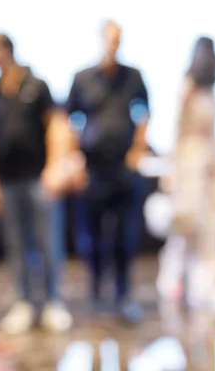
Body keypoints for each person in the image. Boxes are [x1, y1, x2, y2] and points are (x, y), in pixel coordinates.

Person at [0, 33, 79, 334]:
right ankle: (24, 301)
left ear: (7, 51)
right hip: (8, 181)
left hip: (38, 178)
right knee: (16, 243)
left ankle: (52, 301)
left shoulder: (36, 86)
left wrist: (56, 168)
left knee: (48, 240)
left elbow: (57, 124)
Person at [65, 20, 151, 324]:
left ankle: (123, 293)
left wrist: (137, 150)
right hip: (93, 167)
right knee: (92, 236)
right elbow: (69, 119)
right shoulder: (83, 78)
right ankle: (96, 291)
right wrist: (74, 159)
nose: (113, 44)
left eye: (118, 39)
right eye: (109, 39)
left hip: (123, 168)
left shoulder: (133, 77)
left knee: (125, 236)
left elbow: (144, 114)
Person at [156, 36, 215, 309]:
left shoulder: (211, 90)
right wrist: (172, 168)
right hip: (190, 164)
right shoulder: (187, 88)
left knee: (211, 229)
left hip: (212, 163)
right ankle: (172, 279)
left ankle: (205, 284)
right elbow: (178, 130)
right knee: (186, 226)